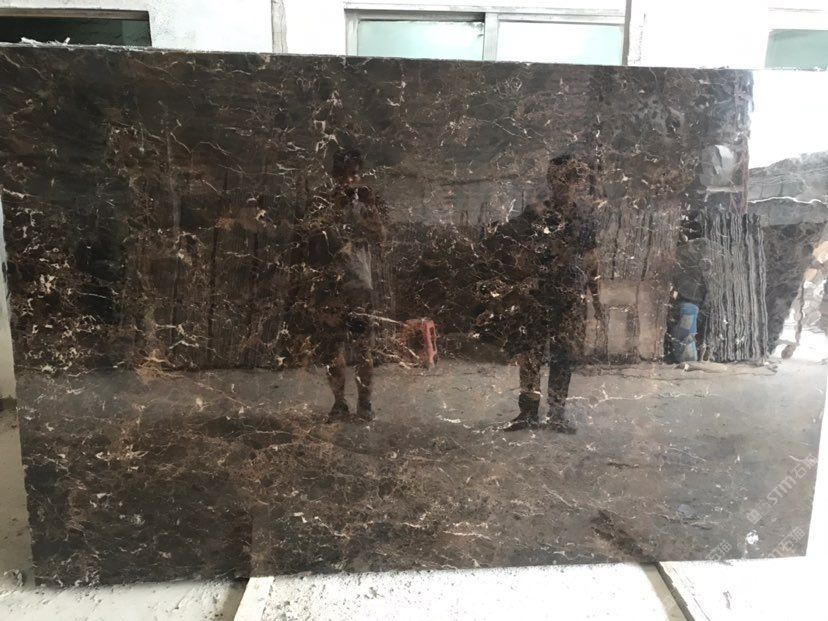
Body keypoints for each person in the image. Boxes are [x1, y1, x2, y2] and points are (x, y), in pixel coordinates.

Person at [477, 154, 601, 433]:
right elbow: (513, 244)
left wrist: (596, 296)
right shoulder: (535, 213)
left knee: (563, 357)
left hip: (570, 297)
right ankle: (528, 413)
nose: (563, 185)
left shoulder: (584, 217)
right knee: (530, 353)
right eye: (557, 178)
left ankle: (557, 414)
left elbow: (592, 259)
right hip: (537, 296)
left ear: (577, 182)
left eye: (569, 179)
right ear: (550, 180)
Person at [292, 146, 388, 421]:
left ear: (360, 175)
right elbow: (308, 235)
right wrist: (333, 206)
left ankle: (365, 405)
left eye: (353, 174)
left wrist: (370, 207)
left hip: (358, 286)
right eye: (343, 175)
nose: (348, 180)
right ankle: (339, 403)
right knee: (333, 348)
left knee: (362, 347)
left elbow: (382, 237)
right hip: (329, 286)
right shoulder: (323, 203)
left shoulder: (365, 205)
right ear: (334, 175)